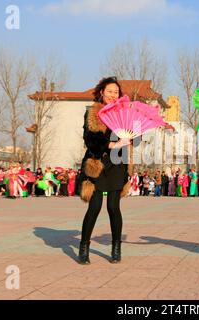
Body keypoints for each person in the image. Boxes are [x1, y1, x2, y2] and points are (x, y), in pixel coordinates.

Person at [78, 76, 133, 264]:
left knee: (113, 207)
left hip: (117, 165)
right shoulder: (92, 112)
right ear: (102, 92)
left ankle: (116, 248)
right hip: (98, 163)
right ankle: (83, 247)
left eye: (116, 92)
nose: (112, 95)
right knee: (94, 207)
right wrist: (111, 144)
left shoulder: (124, 114)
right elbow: (89, 139)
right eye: (109, 91)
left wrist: (131, 138)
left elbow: (135, 137)